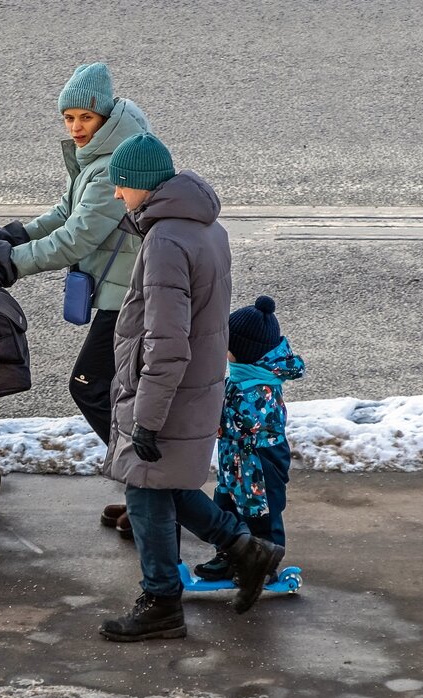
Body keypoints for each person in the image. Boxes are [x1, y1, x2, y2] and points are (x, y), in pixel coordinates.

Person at [98, 132, 284, 642]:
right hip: (197, 383)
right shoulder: (206, 227)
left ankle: (161, 603)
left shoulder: (164, 241)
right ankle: (247, 549)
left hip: (168, 391)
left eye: (121, 185)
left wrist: (147, 419)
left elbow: (167, 340)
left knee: (144, 492)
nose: (117, 194)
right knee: (169, 486)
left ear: (142, 185)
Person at [0, 62, 150, 537]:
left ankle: (150, 491)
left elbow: (77, 236)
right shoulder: (100, 153)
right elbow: (66, 210)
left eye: (84, 118)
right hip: (121, 292)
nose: (75, 128)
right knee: (118, 394)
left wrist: (15, 262)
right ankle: (144, 496)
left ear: (104, 114)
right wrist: (16, 233)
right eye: (68, 118)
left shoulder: (114, 163)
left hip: (131, 297)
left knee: (90, 386)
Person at [194, 296, 306, 580]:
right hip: (236, 459)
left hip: (261, 461)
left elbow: (243, 422)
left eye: (227, 344)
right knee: (227, 505)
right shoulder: (243, 375)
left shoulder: (258, 388)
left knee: (262, 514)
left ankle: (264, 564)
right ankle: (229, 555)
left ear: (243, 350)